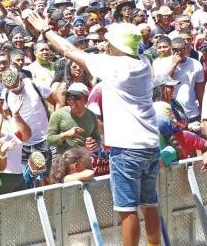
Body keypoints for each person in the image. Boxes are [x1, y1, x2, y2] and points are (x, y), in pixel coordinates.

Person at [27, 13, 161, 246]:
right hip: (150, 145)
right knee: (149, 203)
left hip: (127, 148)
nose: (106, 46)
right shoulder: (143, 62)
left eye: (109, 43)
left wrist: (45, 30)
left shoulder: (114, 66)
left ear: (117, 46)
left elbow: (68, 50)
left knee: (127, 208)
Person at [47, 82, 101, 154]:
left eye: (76, 97)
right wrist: (66, 134)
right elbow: (49, 140)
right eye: (68, 97)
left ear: (85, 99)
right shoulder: (58, 114)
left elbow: (97, 138)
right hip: (63, 160)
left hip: (83, 160)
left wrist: (94, 144)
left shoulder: (92, 116)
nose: (72, 101)